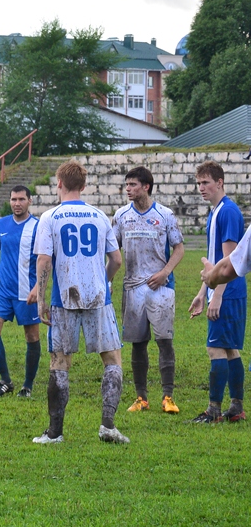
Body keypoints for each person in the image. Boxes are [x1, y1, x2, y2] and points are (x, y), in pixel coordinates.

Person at [28, 160, 128, 444]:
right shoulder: (100, 216)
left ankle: (55, 433)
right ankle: (108, 426)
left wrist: (42, 300)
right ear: (84, 186)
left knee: (60, 363)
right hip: (99, 298)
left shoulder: (50, 217)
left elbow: (44, 260)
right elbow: (116, 259)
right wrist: (105, 282)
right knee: (112, 360)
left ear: (59, 183)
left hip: (63, 299)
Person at [112, 166, 185, 415]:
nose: (128, 189)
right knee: (137, 343)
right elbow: (113, 252)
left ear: (146, 186)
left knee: (164, 341)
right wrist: (108, 280)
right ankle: (141, 397)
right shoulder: (121, 215)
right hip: (133, 287)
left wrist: (165, 272)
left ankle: (168, 396)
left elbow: (179, 249)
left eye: (133, 184)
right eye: (127, 184)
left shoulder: (165, 215)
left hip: (161, 287)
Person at [187, 161, 246, 423]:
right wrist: (202, 292)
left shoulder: (228, 212)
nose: (201, 188)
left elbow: (230, 260)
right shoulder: (216, 211)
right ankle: (236, 408)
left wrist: (217, 295)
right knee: (230, 349)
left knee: (216, 349)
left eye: (206, 183)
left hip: (228, 291)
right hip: (223, 289)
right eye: (199, 183)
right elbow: (213, 263)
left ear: (220, 182)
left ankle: (213, 411)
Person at [0, 185, 41, 398]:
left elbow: (45, 260)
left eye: (21, 199)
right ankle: (5, 380)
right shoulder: (1, 224)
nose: (17, 203)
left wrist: (38, 288)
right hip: (2, 289)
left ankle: (28, 385)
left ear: (29, 201)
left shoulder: (38, 227)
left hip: (27, 291)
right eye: (14, 199)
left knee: (32, 337)